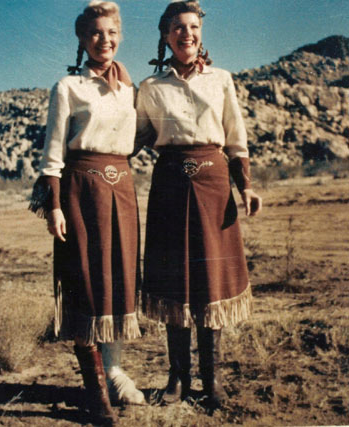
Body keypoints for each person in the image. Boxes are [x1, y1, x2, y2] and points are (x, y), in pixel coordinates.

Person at [136, 0, 262, 409]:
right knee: (176, 283)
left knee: (210, 284)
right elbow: (131, 139)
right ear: (165, 35)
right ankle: (177, 380)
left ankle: (213, 381)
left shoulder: (221, 80)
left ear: (200, 33)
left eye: (192, 26)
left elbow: (236, 138)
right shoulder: (150, 88)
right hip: (170, 188)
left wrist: (246, 187)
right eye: (177, 27)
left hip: (213, 185)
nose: (186, 33)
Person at [29, 1, 145, 424]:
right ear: (82, 38)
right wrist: (54, 205)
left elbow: (143, 134)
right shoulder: (67, 87)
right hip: (80, 192)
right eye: (95, 33)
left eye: (111, 32)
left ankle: (115, 372)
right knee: (85, 283)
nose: (105, 40)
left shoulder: (130, 87)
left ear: (120, 35)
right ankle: (95, 390)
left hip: (124, 192)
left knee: (119, 282)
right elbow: (52, 153)